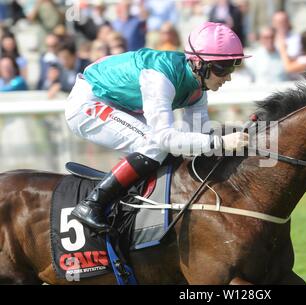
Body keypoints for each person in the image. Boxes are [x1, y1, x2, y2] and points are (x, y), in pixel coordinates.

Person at [65, 22, 250, 231]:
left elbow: (199, 137)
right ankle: (92, 204)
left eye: (233, 66)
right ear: (198, 63)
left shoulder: (198, 88)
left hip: (122, 105)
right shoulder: (161, 76)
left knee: (175, 148)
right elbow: (165, 139)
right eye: (222, 68)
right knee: (155, 145)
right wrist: (222, 142)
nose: (228, 76)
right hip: (88, 103)